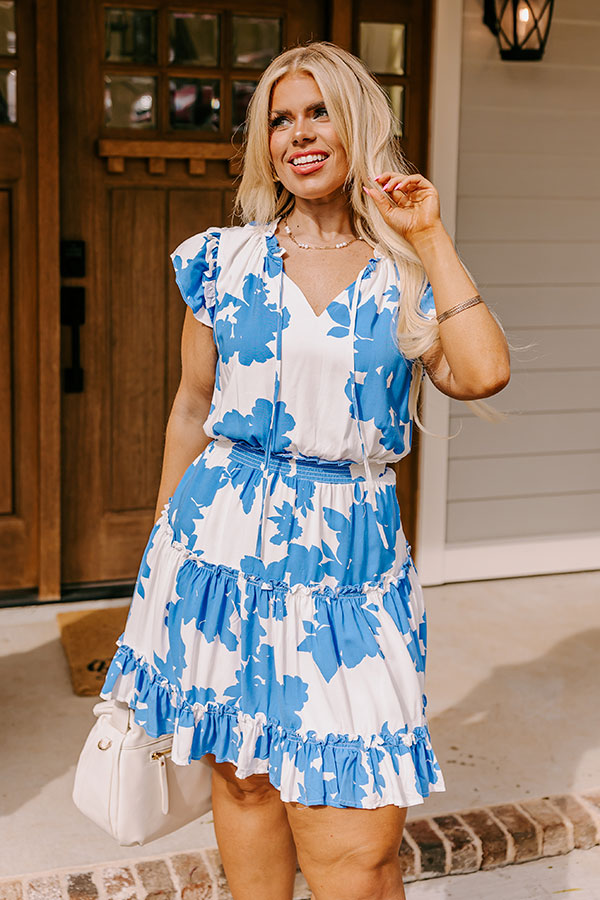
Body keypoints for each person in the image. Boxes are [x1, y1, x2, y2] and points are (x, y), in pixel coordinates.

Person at [99, 40, 509, 900]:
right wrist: (160, 568)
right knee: (244, 781)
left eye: (319, 111)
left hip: (349, 575)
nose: (299, 134)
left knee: (356, 852)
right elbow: (188, 409)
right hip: (217, 556)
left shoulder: (404, 268)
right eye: (280, 119)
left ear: (358, 124)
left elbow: (479, 374)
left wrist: (428, 234)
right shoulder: (221, 260)